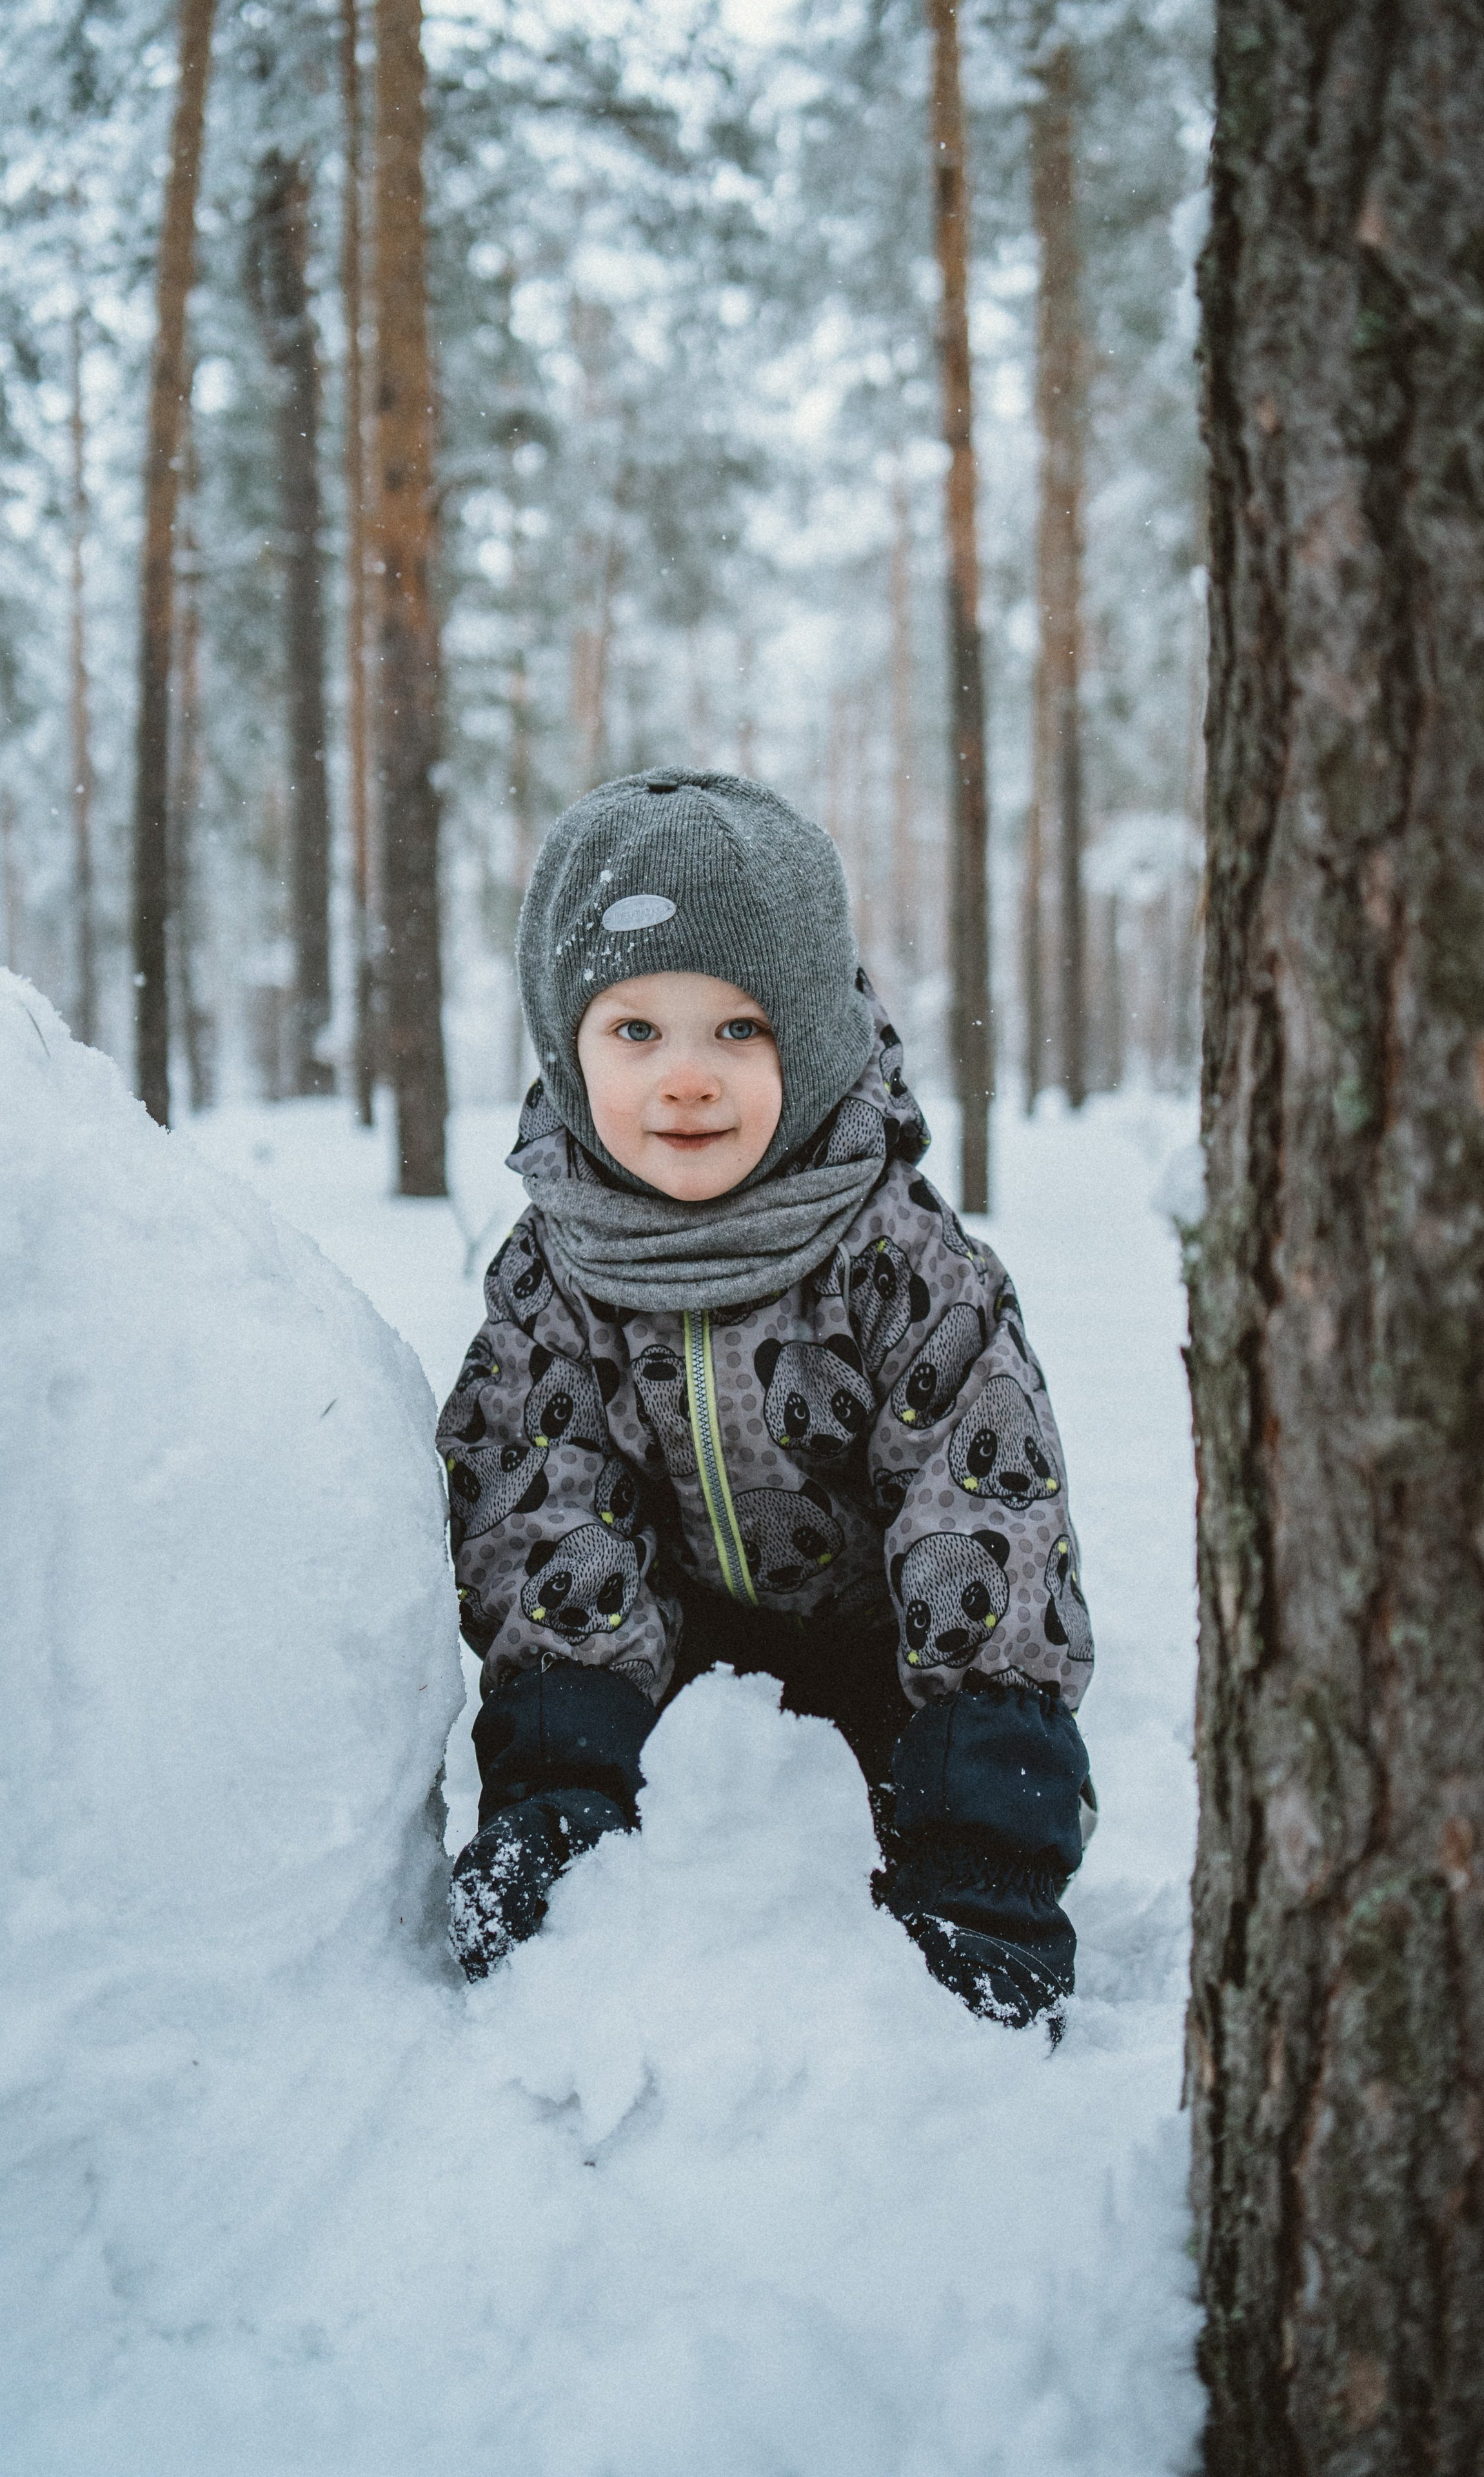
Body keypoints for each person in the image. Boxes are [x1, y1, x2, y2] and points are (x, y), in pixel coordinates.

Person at [439, 767, 1095, 2029]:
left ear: (815, 1031)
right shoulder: (552, 1279)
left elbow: (989, 1530)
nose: (686, 1080)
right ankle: (564, 1848)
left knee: (969, 1673)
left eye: (738, 1030)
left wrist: (986, 1846)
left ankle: (974, 1893)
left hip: (890, 1670)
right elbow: (548, 1511)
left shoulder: (903, 1263)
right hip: (662, 1677)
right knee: (554, 1558)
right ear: (566, 1049)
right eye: (636, 1032)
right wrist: (560, 1776)